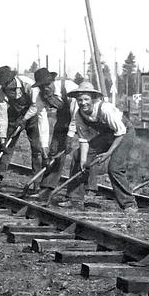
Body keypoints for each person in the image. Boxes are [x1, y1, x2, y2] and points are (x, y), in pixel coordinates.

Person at [62, 81, 137, 212]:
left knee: (115, 167)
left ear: (93, 99)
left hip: (124, 133)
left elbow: (120, 133)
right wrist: (84, 161)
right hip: (108, 134)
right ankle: (75, 198)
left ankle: (129, 204)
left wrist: (108, 153)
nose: (83, 103)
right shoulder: (79, 114)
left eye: (86, 99)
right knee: (78, 156)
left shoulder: (105, 109)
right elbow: (84, 139)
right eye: (80, 100)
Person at [26, 67, 98, 201]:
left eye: (47, 84)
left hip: (86, 118)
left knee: (88, 153)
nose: (45, 89)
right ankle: (47, 188)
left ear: (53, 81)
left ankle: (90, 189)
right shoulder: (40, 97)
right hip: (64, 119)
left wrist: (70, 138)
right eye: (42, 86)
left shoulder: (68, 87)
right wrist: (44, 146)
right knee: (54, 151)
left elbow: (77, 113)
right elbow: (43, 121)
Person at [0, 65, 50, 190]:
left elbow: (35, 105)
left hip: (32, 117)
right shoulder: (1, 94)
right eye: (3, 85)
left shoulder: (28, 84)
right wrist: (2, 138)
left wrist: (24, 119)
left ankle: (37, 181)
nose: (6, 87)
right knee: (6, 147)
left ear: (12, 79)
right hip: (15, 117)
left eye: (7, 83)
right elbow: (3, 117)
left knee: (37, 148)